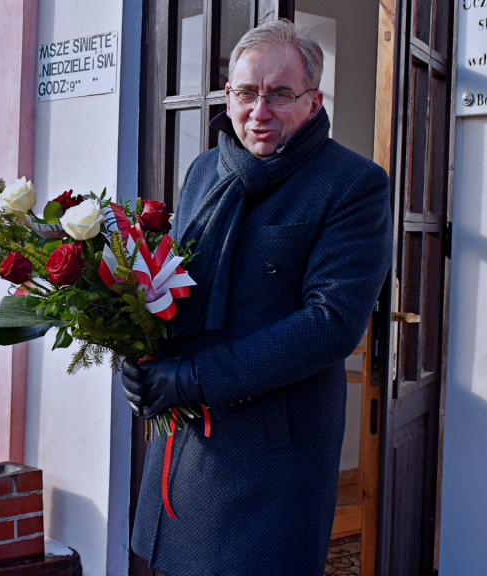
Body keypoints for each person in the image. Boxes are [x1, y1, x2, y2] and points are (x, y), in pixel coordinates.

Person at [122, 19, 392, 575]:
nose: (259, 111)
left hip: (272, 457)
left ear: (314, 101)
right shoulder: (204, 170)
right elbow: (168, 282)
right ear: (229, 94)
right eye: (246, 93)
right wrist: (142, 355)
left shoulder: (353, 184)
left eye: (280, 95)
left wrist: (195, 377)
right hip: (187, 444)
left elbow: (331, 323)